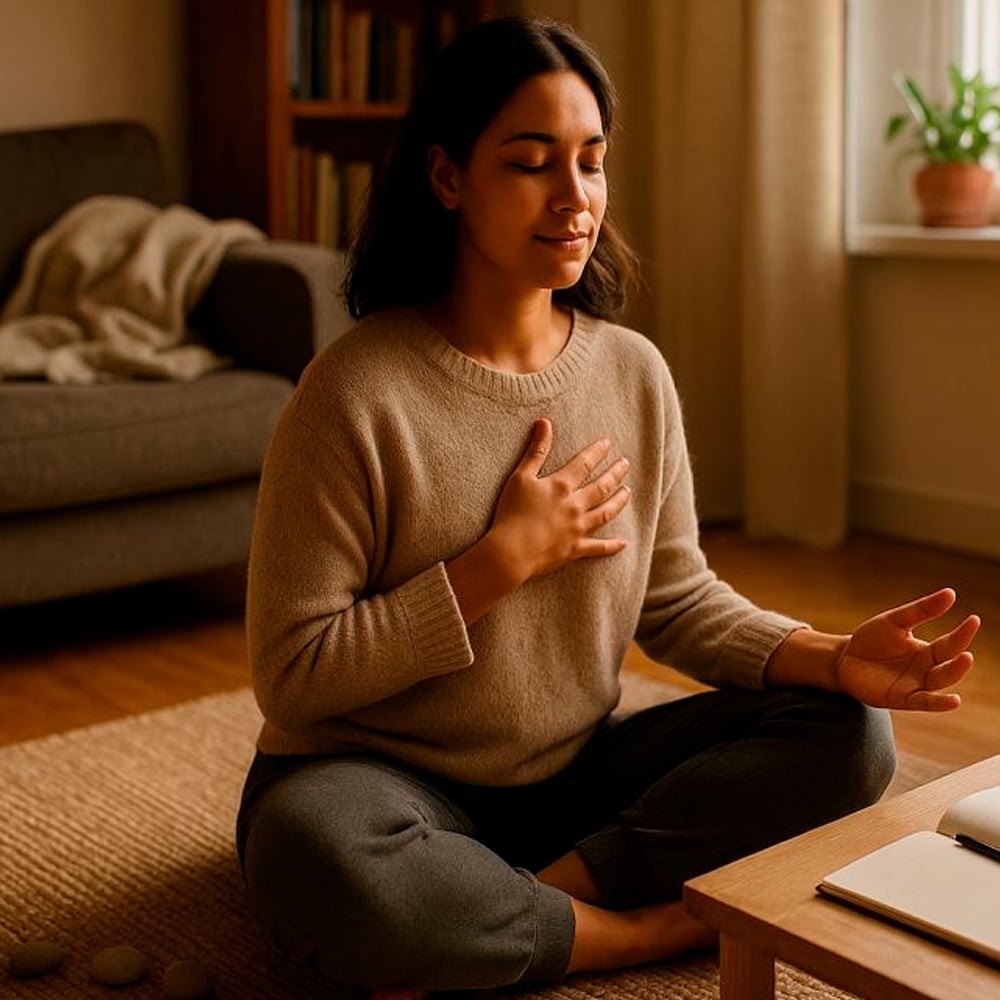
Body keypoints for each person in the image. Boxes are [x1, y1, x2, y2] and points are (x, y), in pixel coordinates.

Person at [236, 16, 980, 998]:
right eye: (532, 163)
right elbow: (290, 677)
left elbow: (674, 598)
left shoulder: (631, 371)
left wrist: (829, 656)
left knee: (848, 736)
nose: (574, 197)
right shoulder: (351, 392)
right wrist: (492, 566)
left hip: (568, 780)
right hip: (375, 782)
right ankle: (636, 931)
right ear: (448, 178)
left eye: (591, 162)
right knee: (313, 851)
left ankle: (528, 908)